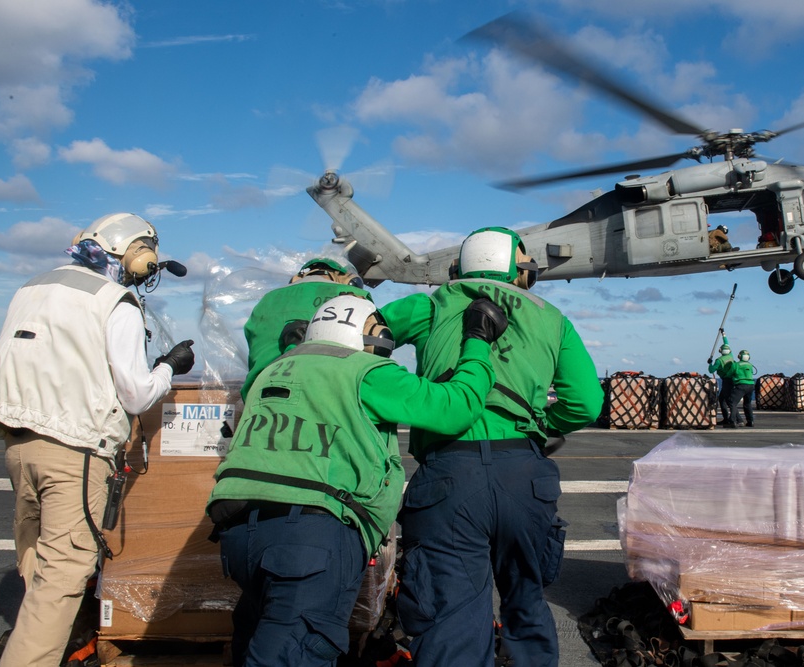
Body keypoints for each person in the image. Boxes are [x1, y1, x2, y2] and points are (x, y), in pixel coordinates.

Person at [206, 293, 507, 667]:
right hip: (311, 535)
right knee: (292, 654)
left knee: (257, 635)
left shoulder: (272, 370)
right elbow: (453, 407)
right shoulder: (367, 371)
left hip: (238, 532)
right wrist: (477, 340)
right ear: (369, 338)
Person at [381, 226, 604, 667]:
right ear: (519, 271)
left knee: (450, 615)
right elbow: (586, 403)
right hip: (524, 475)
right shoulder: (550, 315)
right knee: (526, 598)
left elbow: (360, 336)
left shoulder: (432, 304)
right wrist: (540, 427)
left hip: (449, 474)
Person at [0, 212, 195, 667]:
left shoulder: (33, 287)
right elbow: (136, 394)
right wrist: (169, 368)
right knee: (63, 576)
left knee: (37, 562)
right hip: (74, 449)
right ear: (135, 255)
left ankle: (42, 643)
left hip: (19, 444)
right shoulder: (114, 299)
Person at [241, 257, 367, 400]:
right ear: (350, 280)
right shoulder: (353, 297)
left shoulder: (266, 300)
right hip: (326, 399)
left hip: (258, 397)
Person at [708, 334, 738, 427]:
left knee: (726, 400)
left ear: (720, 351)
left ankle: (734, 419)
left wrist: (710, 363)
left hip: (726, 380)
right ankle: (728, 418)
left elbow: (711, 370)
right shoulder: (731, 356)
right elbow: (727, 344)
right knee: (725, 399)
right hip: (732, 380)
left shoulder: (719, 360)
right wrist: (723, 335)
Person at [729, 349, 757, 427]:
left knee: (732, 402)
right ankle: (750, 421)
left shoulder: (736, 365)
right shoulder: (750, 365)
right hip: (751, 385)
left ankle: (733, 421)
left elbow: (730, 373)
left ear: (739, 356)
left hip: (741, 385)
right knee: (747, 403)